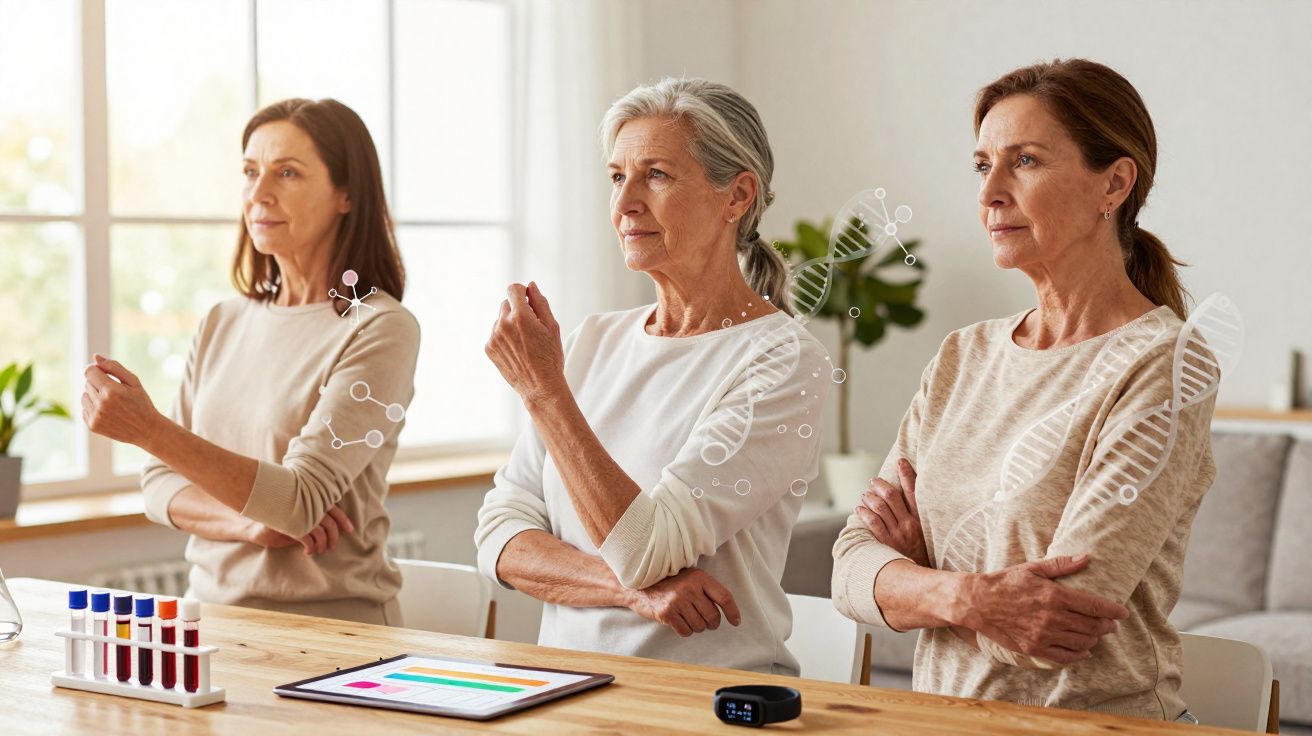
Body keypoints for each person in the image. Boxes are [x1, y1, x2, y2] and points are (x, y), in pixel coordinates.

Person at [832, 59, 1216, 721]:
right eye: (983, 166)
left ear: (1114, 183)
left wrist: (916, 574)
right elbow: (845, 570)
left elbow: (1055, 630)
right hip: (941, 722)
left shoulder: (1164, 363)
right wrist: (966, 597)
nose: (990, 194)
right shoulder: (963, 355)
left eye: (1026, 161)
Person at [475, 78, 829, 674]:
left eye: (656, 175)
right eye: (617, 177)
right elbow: (498, 538)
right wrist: (625, 592)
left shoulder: (783, 361)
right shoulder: (592, 342)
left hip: (703, 702)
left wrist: (544, 392)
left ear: (737, 195)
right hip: (564, 694)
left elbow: (648, 549)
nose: (624, 203)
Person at [82, 98, 419, 625]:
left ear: (347, 195)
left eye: (287, 173)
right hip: (210, 625)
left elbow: (300, 502)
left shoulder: (379, 327)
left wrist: (148, 428)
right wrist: (249, 524)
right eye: (249, 172)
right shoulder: (223, 320)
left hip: (335, 637)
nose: (258, 195)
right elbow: (158, 487)